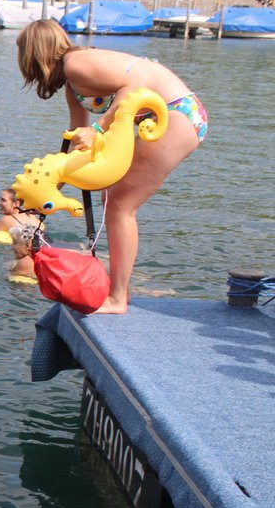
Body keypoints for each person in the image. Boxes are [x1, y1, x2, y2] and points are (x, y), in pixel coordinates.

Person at [16, 19, 206, 314]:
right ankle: (119, 291)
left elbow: (136, 83)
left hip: (176, 112)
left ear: (34, 52)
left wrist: (100, 128)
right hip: (162, 118)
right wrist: (46, 187)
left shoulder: (76, 63)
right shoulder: (73, 86)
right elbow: (73, 144)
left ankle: (118, 299)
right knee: (112, 198)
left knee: (119, 204)